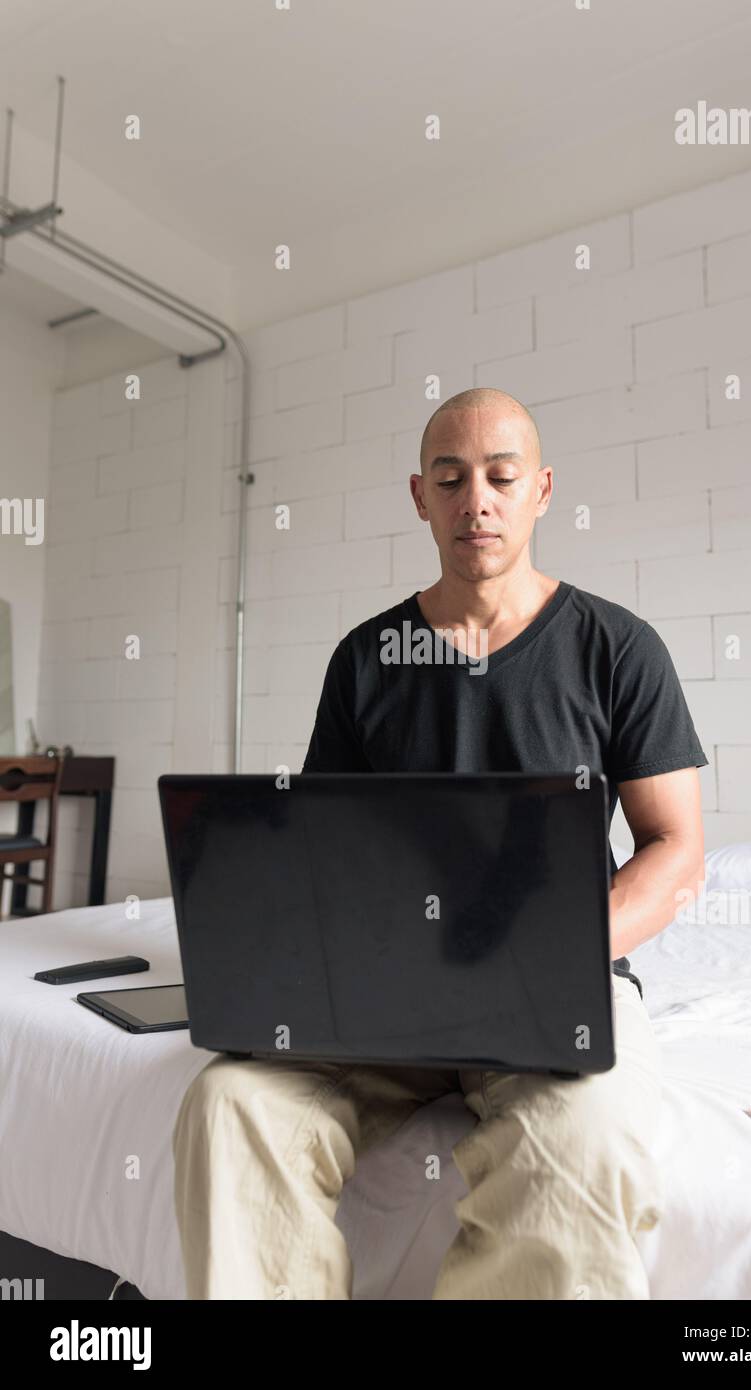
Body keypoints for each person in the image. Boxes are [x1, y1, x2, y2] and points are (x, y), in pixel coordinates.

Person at [173, 387, 707, 1300]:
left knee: (579, 1141)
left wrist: (558, 952)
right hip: (386, 995)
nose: (477, 501)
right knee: (229, 1104)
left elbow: (676, 849)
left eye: (500, 478)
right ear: (420, 497)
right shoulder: (363, 659)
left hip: (553, 991)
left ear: (541, 490)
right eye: (451, 479)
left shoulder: (618, 647)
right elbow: (324, 851)